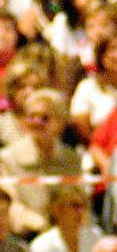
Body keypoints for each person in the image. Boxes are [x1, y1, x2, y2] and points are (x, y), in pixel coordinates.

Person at [0, 89, 81, 237]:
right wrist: (41, 225)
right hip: (27, 234)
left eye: (45, 118)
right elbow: (10, 206)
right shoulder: (8, 158)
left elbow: (79, 200)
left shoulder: (71, 159)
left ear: (61, 122)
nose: (36, 123)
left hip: (66, 232)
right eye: (31, 117)